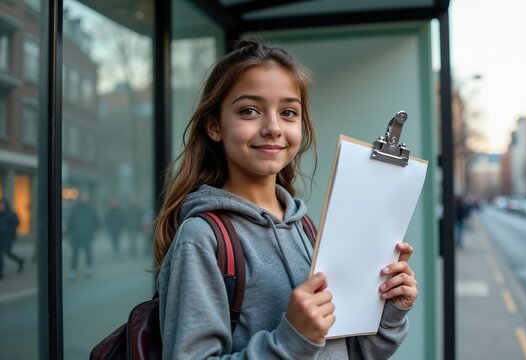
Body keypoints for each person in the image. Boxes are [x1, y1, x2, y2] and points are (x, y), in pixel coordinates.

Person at [154, 39, 419, 359]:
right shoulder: (202, 239)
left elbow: (352, 353)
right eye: (249, 110)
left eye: (288, 112)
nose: (273, 128)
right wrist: (291, 340)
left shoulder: (306, 228)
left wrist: (388, 312)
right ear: (214, 126)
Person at [66, 194, 99, 279]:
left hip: (87, 235)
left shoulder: (92, 209)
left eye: (86, 198)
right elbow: (70, 221)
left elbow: (96, 222)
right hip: (76, 236)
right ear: (80, 199)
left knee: (88, 253)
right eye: (83, 198)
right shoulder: (75, 209)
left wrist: (94, 232)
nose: (84, 199)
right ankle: (72, 271)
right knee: (75, 254)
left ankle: (88, 269)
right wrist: (68, 232)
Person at [0, 198, 24, 278]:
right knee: (0, 254)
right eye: (1, 205)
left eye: (3, 205)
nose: (2, 206)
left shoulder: (11, 214)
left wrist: (9, 229)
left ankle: (20, 260)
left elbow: (17, 223)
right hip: (1, 237)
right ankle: (1, 272)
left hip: (8, 237)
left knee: (8, 253)